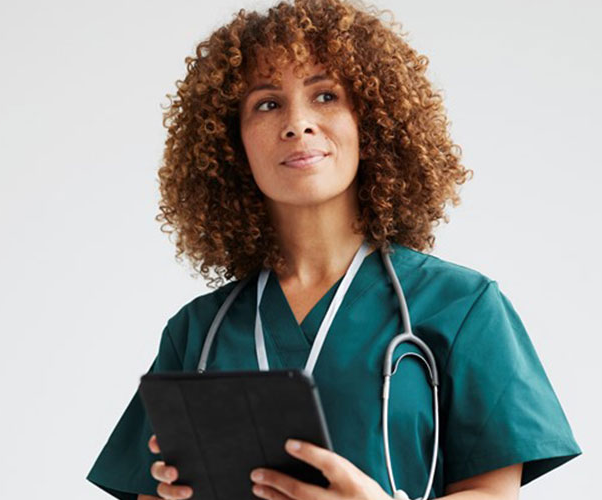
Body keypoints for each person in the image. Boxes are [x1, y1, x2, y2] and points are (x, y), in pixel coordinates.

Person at [85, 0, 582, 498]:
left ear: (370, 123)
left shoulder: (462, 307)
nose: (297, 123)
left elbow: (493, 493)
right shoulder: (197, 333)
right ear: (232, 143)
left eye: (325, 96)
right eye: (266, 103)